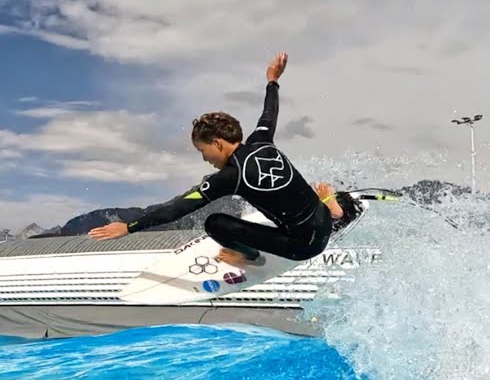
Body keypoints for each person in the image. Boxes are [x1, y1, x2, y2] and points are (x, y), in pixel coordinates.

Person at [88, 52, 360, 267]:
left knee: (214, 224)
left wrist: (130, 226)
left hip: (305, 247)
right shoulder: (262, 140)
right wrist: (272, 81)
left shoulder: (230, 177)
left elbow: (178, 208)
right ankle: (336, 210)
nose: (205, 159)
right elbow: (269, 113)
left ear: (217, 143)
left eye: (202, 150)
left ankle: (248, 257)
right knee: (305, 198)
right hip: (323, 222)